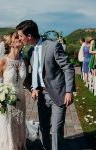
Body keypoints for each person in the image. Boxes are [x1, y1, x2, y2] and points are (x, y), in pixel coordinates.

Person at [16, 20, 75, 150]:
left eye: (21, 36)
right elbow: (34, 73)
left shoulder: (53, 46)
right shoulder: (30, 52)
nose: (19, 39)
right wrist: (33, 88)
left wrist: (69, 91)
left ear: (29, 36)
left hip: (58, 94)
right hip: (41, 96)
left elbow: (68, 68)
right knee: (43, 128)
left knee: (56, 130)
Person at [0, 32, 26, 150]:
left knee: (19, 124)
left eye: (21, 37)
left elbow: (24, 80)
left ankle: (19, 146)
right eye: (17, 38)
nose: (20, 39)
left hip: (21, 99)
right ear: (11, 43)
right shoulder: (3, 61)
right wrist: (3, 96)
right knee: (8, 126)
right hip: (6, 101)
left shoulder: (23, 60)